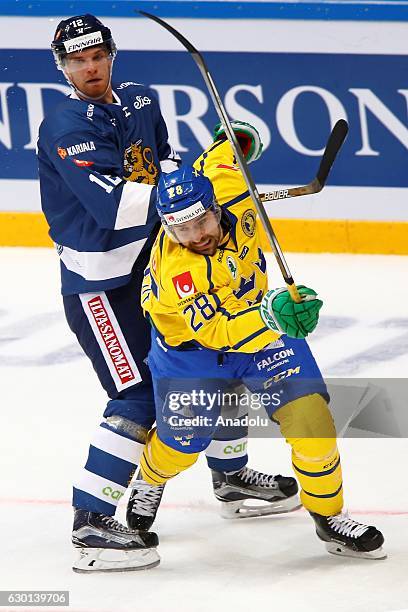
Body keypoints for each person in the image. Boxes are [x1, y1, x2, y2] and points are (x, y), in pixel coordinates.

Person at [37, 15, 297, 573]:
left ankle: (230, 476)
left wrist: (220, 159)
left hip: (152, 268)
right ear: (62, 67)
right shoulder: (64, 124)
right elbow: (116, 206)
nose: (89, 68)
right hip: (101, 286)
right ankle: (91, 525)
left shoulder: (139, 100)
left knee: (217, 360)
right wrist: (198, 204)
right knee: (137, 395)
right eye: (76, 60)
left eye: (96, 56)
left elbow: (168, 169)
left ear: (111, 54)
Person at [137, 122, 386, 561]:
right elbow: (217, 333)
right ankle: (150, 480)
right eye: (180, 230)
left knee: (312, 420)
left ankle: (329, 518)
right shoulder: (179, 271)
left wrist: (238, 138)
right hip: (193, 354)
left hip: (264, 331)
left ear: (216, 204)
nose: (195, 237)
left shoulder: (230, 186)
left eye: (201, 221)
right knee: (183, 446)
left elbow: (223, 152)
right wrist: (274, 315)